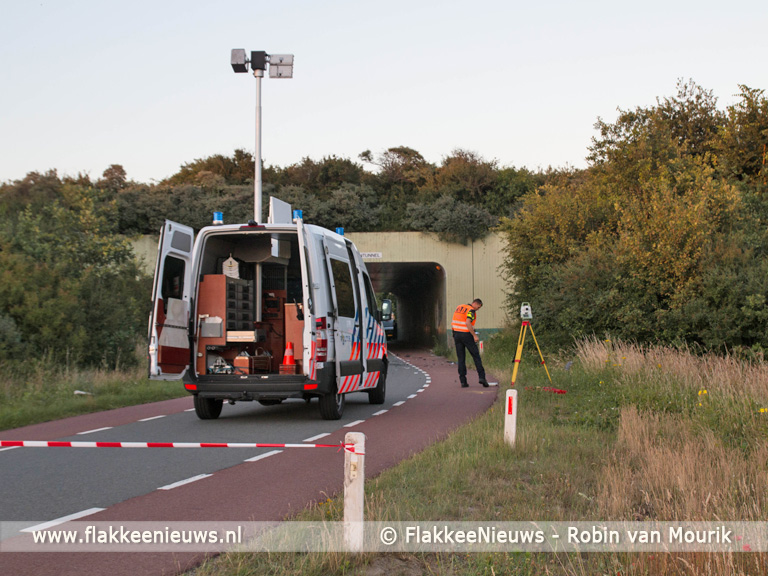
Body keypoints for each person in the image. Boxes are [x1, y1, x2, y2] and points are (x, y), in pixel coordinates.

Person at [451, 298, 488, 388]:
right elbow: (468, 323)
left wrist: (454, 334)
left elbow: (454, 322)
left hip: (457, 334)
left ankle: (463, 381)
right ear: (475, 304)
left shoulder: (459, 307)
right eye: (478, 307)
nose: (477, 309)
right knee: (476, 356)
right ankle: (482, 377)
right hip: (466, 335)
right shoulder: (471, 310)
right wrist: (474, 335)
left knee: (461, 359)